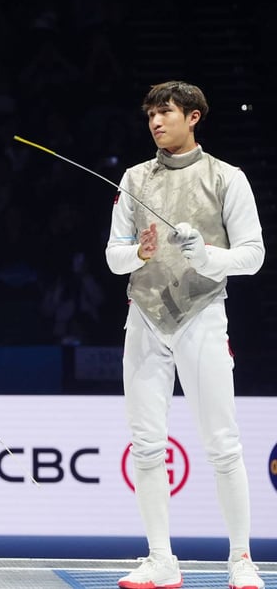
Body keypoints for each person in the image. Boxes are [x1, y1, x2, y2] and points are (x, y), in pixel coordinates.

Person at [105, 81, 266, 589]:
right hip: (145, 317)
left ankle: (241, 559)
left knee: (223, 443)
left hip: (202, 315)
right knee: (146, 444)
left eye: (166, 113)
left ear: (193, 117)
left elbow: (253, 255)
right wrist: (140, 253)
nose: (156, 122)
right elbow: (113, 256)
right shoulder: (134, 178)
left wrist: (208, 256)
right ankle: (161, 559)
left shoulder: (226, 177)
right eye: (151, 114)